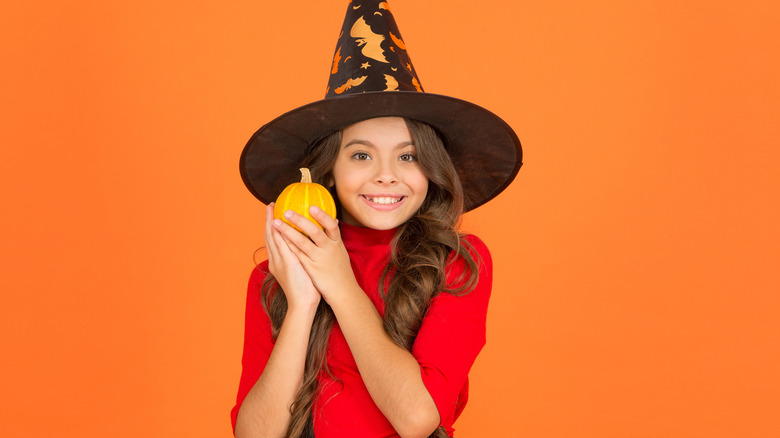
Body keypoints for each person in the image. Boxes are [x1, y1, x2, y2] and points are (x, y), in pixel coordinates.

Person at [232, 1, 522, 437]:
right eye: (362, 154)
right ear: (329, 169)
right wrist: (302, 304)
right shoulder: (275, 277)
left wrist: (341, 285)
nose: (386, 175)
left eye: (408, 155)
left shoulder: (456, 263)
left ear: (431, 168)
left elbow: (417, 418)